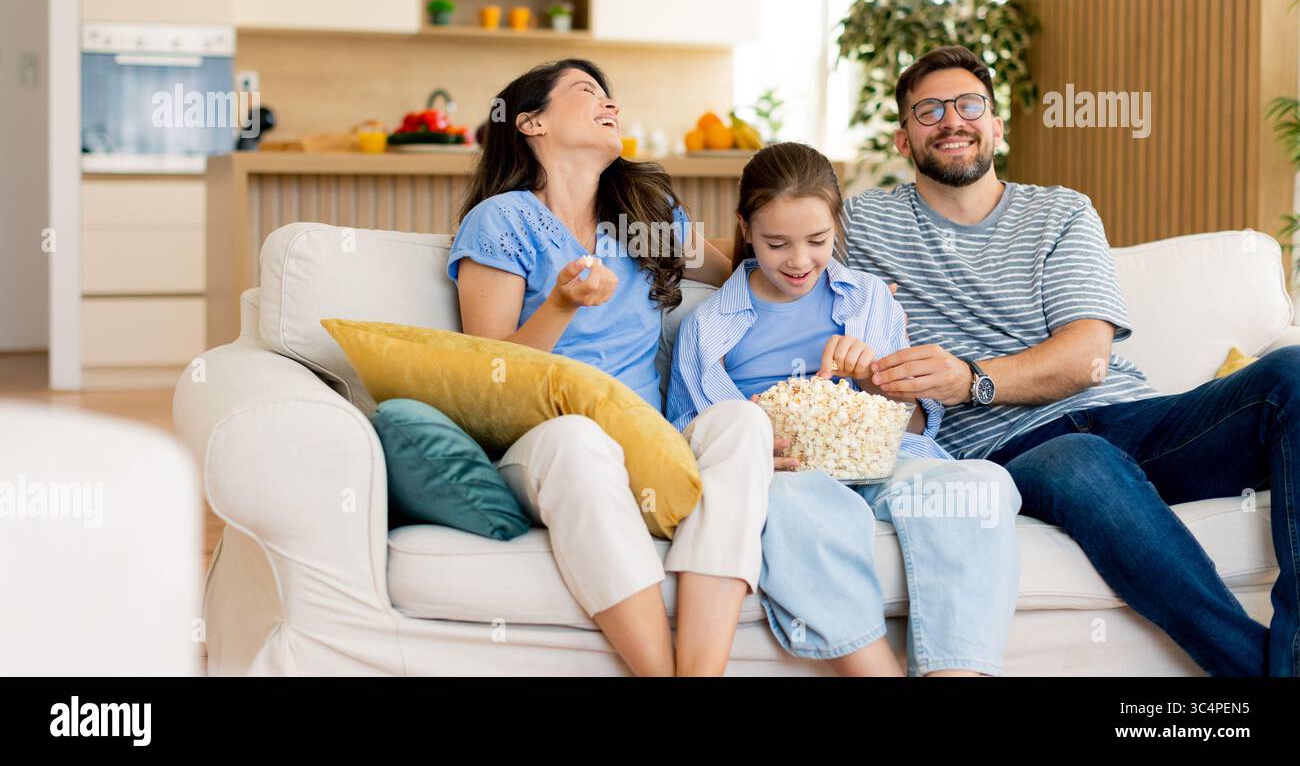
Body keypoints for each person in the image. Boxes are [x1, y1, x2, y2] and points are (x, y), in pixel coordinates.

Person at [843, 44, 1300, 676]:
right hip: (1021, 452)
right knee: (1081, 459)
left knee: (1293, 374)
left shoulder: (1059, 212)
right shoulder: (865, 222)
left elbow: (1087, 357)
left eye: (969, 104)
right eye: (929, 110)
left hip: (1139, 422)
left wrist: (969, 379)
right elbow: (766, 240)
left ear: (996, 125)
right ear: (902, 138)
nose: (952, 120)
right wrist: (668, 233)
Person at [446, 58, 776, 676]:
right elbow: (490, 373)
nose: (609, 104)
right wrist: (562, 303)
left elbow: (739, 266)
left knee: (741, 426)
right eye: (586, 92)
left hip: (645, 441)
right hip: (543, 442)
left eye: (610, 97)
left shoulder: (641, 218)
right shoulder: (503, 220)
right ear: (531, 122)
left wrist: (835, 268)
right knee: (579, 440)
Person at [668, 141, 1022, 675]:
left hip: (883, 459)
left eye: (817, 240)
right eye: (776, 243)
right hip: (785, 473)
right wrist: (749, 434)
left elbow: (919, 422)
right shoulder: (708, 326)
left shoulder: (869, 298)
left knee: (979, 486)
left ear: (837, 224)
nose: (799, 261)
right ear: (744, 229)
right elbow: (684, 431)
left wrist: (875, 378)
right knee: (800, 507)